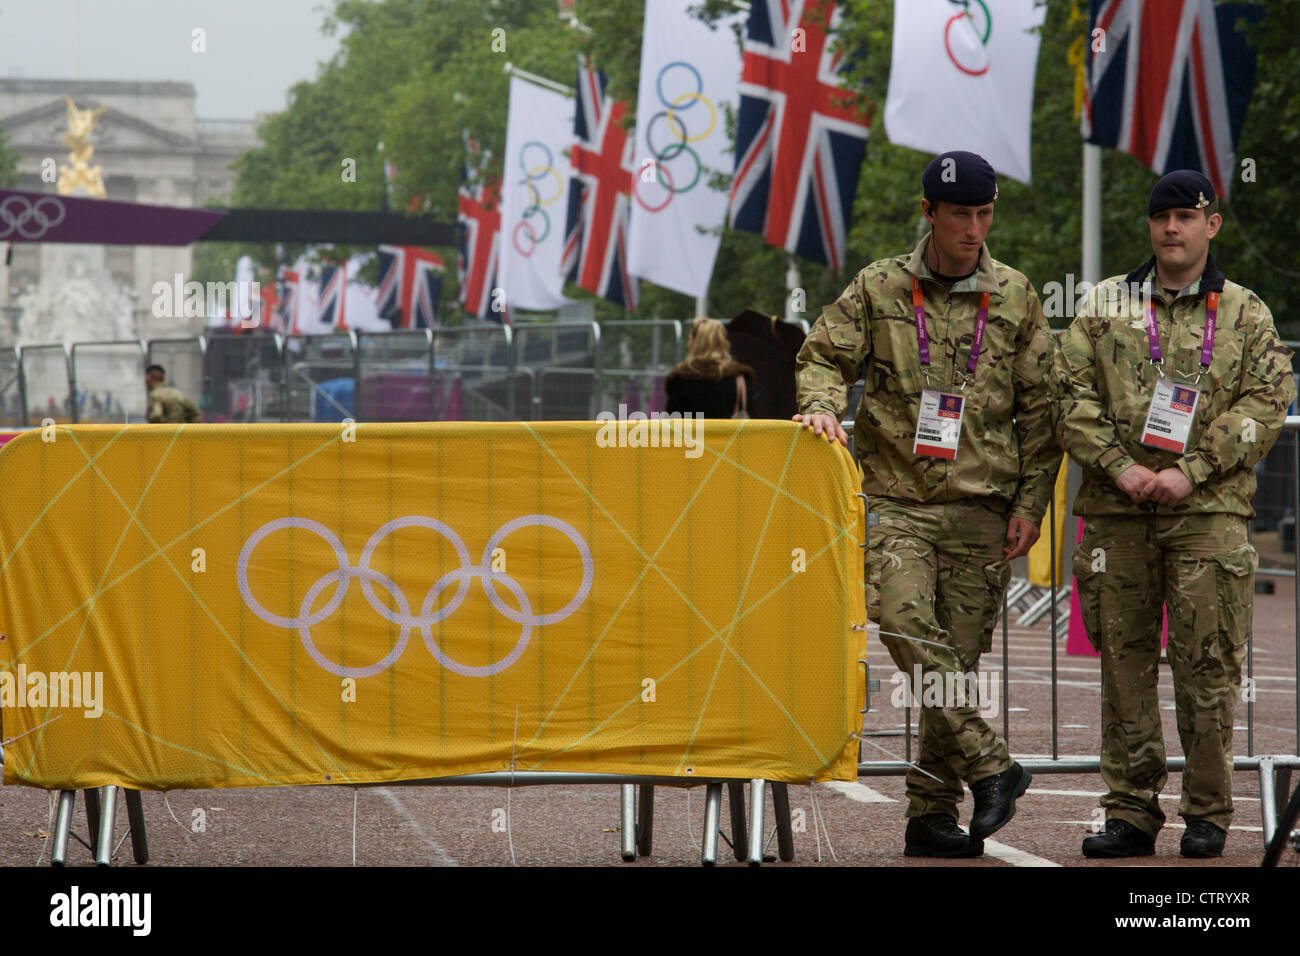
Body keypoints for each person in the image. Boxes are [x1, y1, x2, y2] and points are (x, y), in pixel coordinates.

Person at [794, 150, 1061, 857]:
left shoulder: (1015, 294)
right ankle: (995, 765)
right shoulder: (880, 287)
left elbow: (1041, 413)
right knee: (905, 620)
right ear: (929, 215)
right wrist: (822, 406)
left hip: (982, 506)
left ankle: (930, 812)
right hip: (897, 500)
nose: (974, 230)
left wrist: (1031, 504)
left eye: (984, 214)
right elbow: (822, 355)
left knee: (954, 661)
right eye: (960, 216)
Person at [1057, 170, 1295, 859]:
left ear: (1210, 225)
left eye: (1186, 217)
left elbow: (1265, 405)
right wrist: (1119, 465)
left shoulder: (1246, 313)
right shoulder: (1104, 305)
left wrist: (1188, 470)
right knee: (1123, 667)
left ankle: (1208, 812)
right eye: (1161, 217)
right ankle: (1130, 812)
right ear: (1150, 226)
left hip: (1208, 515)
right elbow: (1068, 394)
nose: (1172, 229)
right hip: (1117, 513)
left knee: (1208, 666)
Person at [664, 317, 755, 419]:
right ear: (723, 343)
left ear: (695, 343)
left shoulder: (680, 378)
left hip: (691, 435)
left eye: (690, 339)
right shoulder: (739, 377)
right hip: (729, 435)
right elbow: (753, 421)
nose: (688, 344)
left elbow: (670, 424)